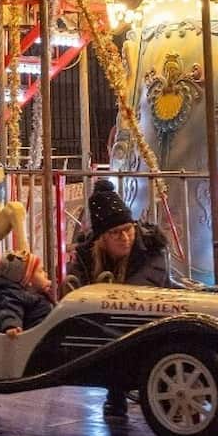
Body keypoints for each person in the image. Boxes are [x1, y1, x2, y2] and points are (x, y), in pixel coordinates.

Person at [65, 179, 170, 420]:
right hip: (109, 320)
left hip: (150, 313)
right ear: (102, 238)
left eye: (128, 229)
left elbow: (144, 287)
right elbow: (74, 289)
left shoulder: (150, 249)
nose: (125, 237)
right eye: (116, 233)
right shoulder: (85, 256)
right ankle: (116, 393)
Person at [0, 250, 55, 337]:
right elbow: (9, 309)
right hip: (35, 339)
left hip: (45, 333)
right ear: (28, 281)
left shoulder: (37, 294)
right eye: (40, 271)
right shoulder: (13, 294)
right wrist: (12, 326)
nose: (45, 274)